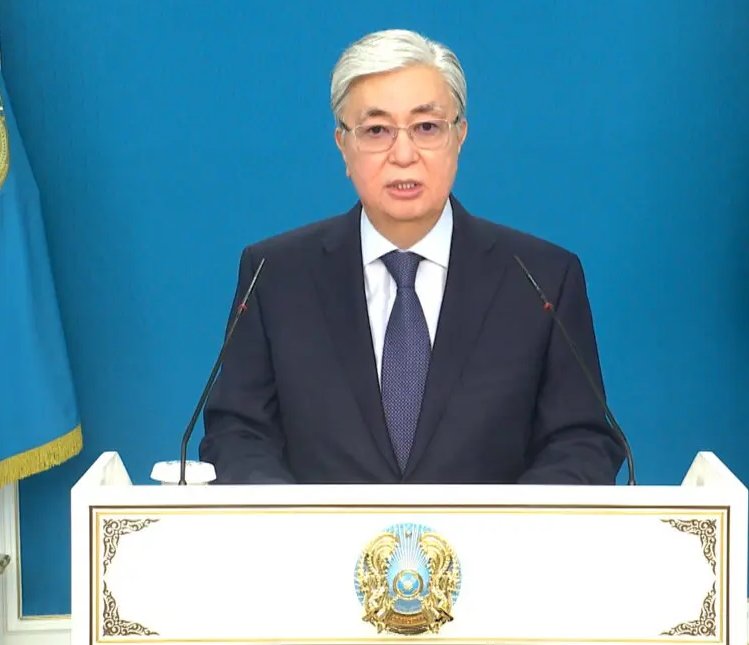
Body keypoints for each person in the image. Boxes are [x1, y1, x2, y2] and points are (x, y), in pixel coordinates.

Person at [200, 29, 625, 485]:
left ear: (459, 136)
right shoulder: (275, 277)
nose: (403, 155)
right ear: (343, 145)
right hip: (316, 534)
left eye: (426, 127)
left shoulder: (541, 279)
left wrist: (505, 525)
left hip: (493, 535)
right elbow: (238, 435)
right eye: (376, 131)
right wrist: (300, 522)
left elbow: (580, 441)